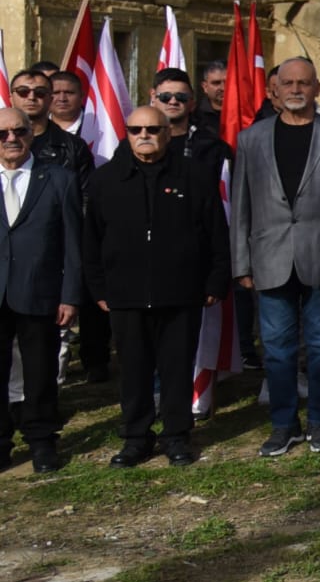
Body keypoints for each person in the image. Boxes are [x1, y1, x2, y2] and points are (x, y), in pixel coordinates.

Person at [231, 58, 320, 457]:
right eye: (287, 83)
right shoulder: (250, 139)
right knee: (277, 347)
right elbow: (241, 206)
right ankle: (284, 425)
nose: (295, 90)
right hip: (269, 259)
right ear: (274, 90)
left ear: (316, 88)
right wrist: (241, 264)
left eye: (302, 83)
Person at [85, 106, 229, 468]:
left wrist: (214, 280)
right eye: (136, 130)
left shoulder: (195, 176)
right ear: (127, 134)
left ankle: (177, 437)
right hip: (125, 294)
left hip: (181, 292)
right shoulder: (105, 181)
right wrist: (99, 288)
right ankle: (136, 438)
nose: (144, 135)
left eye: (153, 128)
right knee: (133, 370)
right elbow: (91, 241)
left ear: (168, 133)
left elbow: (216, 233)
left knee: (177, 367)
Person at [0, 107, 84, 473]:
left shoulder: (59, 178)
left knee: (40, 372)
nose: (11, 140)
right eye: (2, 134)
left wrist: (70, 295)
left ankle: (41, 441)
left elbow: (72, 243)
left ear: (31, 134)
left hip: (41, 292)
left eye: (19, 132)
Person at [193, 60, 228, 133]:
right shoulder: (194, 116)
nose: (223, 88)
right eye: (216, 83)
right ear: (205, 87)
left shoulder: (247, 114)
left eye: (228, 82)